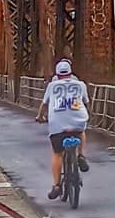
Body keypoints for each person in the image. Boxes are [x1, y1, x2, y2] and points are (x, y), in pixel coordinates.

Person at [35, 58, 90, 200]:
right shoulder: (80, 84)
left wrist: (40, 116)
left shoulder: (52, 86)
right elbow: (86, 102)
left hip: (57, 124)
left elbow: (44, 105)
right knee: (82, 131)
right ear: (71, 73)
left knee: (57, 154)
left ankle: (57, 185)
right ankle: (81, 156)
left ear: (57, 74)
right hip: (78, 121)